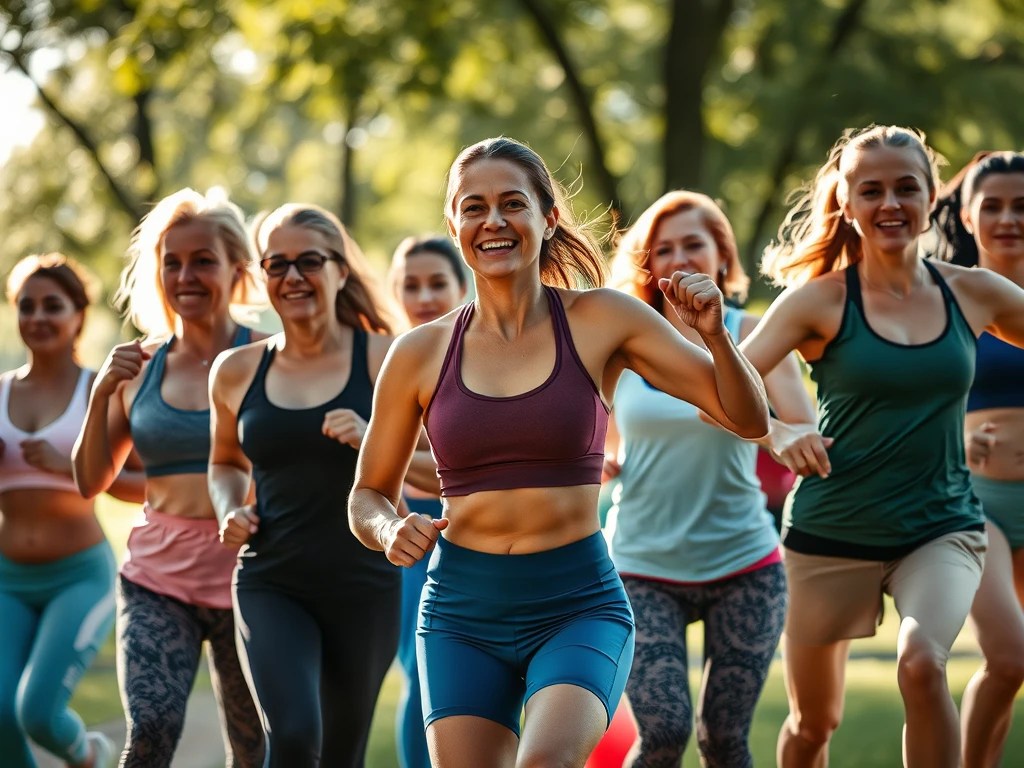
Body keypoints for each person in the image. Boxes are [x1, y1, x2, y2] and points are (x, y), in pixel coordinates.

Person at [348, 137, 770, 768]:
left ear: (547, 218)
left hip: (577, 602)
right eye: (474, 207)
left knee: (545, 761)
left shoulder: (605, 319)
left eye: (512, 203)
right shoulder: (419, 352)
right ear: (455, 226)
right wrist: (388, 529)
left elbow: (748, 418)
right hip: (461, 609)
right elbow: (366, 494)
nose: (493, 221)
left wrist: (717, 339)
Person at [741, 125, 1024, 768]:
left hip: (940, 524)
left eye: (906, 188)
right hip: (832, 528)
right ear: (846, 203)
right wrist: (778, 432)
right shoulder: (818, 302)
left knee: (922, 662)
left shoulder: (971, 292)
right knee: (814, 725)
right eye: (871, 191)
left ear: (931, 195)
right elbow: (719, 388)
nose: (890, 203)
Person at [604, 190, 814, 767]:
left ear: (722, 255)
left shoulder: (757, 334)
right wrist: (602, 462)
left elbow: (804, 432)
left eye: (693, 244)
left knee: (724, 740)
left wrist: (778, 433)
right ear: (648, 265)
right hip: (642, 567)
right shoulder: (623, 348)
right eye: (663, 249)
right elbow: (602, 440)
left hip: (744, 566)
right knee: (664, 735)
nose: (679, 258)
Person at [72, 188, 265, 768]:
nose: (185, 276)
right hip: (158, 581)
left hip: (253, 577)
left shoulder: (269, 357)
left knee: (255, 749)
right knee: (151, 734)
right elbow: (90, 481)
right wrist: (102, 393)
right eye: (171, 262)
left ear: (236, 267)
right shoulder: (138, 366)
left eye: (203, 260)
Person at [209, 203, 401, 767]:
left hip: (364, 584)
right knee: (293, 737)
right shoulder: (236, 370)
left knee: (342, 754)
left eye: (309, 262)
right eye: (277, 264)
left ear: (340, 270)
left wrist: (368, 437)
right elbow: (224, 462)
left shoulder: (386, 359)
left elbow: (438, 464)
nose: (292, 277)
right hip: (272, 579)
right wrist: (229, 507)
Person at [0, 253, 125, 768]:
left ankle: (89, 754)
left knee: (39, 713)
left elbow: (145, 484)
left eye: (52, 305)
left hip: (78, 578)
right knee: (0, 716)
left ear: (79, 316)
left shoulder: (100, 390)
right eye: (26, 306)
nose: (38, 317)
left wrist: (67, 466)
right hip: (7, 579)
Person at [932, 150, 1024, 767]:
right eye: (992, 206)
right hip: (974, 499)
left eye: (1022, 206)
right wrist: (950, 440)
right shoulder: (945, 298)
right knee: (1009, 656)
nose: (1008, 218)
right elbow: (904, 397)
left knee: (1015, 668)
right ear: (967, 215)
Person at [387, 235, 468, 768]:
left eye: (437, 283)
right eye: (411, 285)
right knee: (422, 679)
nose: (424, 297)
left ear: (462, 287)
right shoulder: (392, 363)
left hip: (485, 541)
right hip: (414, 545)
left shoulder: (488, 358)